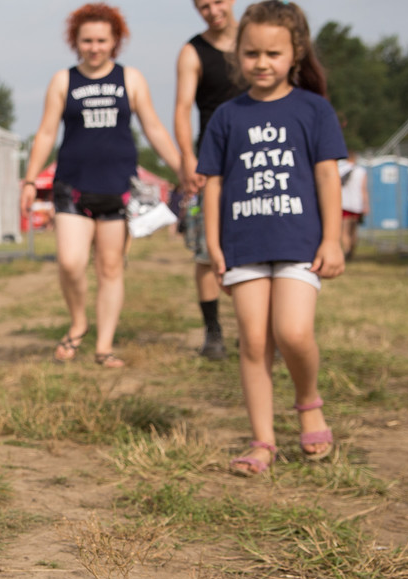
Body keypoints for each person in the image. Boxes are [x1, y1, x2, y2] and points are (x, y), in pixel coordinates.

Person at [198, 0, 346, 476]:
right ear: (238, 54)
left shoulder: (314, 110)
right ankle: (262, 440)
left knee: (294, 332)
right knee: (255, 340)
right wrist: (214, 246)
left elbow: (327, 178)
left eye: (273, 54)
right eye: (251, 53)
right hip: (243, 245)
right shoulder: (226, 116)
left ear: (295, 53)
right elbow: (214, 185)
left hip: (300, 243)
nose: (262, 63)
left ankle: (308, 402)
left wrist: (333, 239)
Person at [20, 3, 181, 369]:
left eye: (101, 40)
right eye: (87, 40)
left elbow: (154, 128)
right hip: (73, 186)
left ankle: (104, 347)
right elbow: (46, 133)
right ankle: (79, 321)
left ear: (115, 42)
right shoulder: (64, 81)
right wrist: (30, 179)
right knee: (70, 262)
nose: (94, 47)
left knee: (111, 268)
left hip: (118, 189)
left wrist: (183, 167)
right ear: (75, 41)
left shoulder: (131, 79)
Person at [174, 0, 241, 360]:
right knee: (205, 251)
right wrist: (188, 158)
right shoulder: (192, 52)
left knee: (254, 246)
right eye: (203, 6)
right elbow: (183, 108)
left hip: (255, 156)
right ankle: (213, 332)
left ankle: (255, 328)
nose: (212, 11)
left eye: (217, 2)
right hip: (211, 162)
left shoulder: (254, 39)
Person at [338, 148, 369, 259]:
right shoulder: (361, 171)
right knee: (354, 231)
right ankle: (352, 250)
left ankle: (347, 250)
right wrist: (366, 205)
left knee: (344, 231)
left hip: (344, 203)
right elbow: (363, 189)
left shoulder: (340, 169)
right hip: (357, 205)